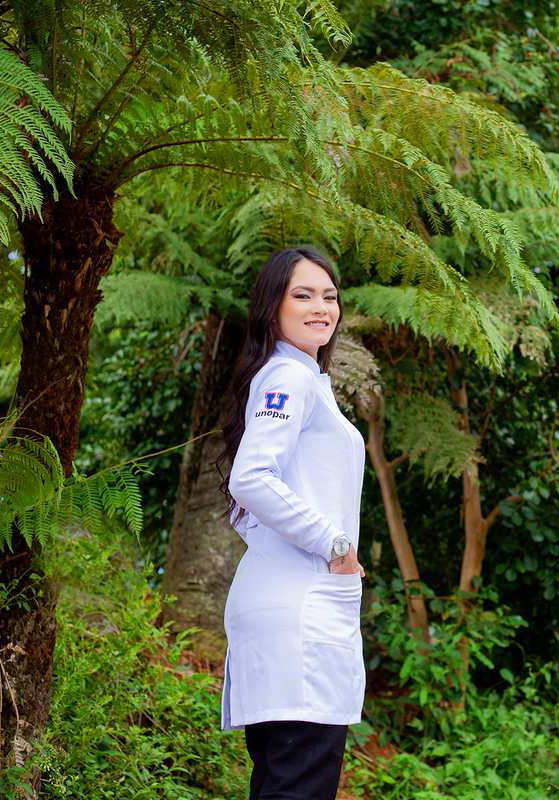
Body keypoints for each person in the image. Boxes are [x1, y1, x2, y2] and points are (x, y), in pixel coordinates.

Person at [216, 247, 366, 800]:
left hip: (291, 607)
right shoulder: (287, 377)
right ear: (271, 308)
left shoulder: (297, 378)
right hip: (299, 616)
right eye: (302, 295)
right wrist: (335, 545)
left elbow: (260, 499)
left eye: (329, 296)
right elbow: (252, 480)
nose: (321, 307)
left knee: (285, 783)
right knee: (298, 785)